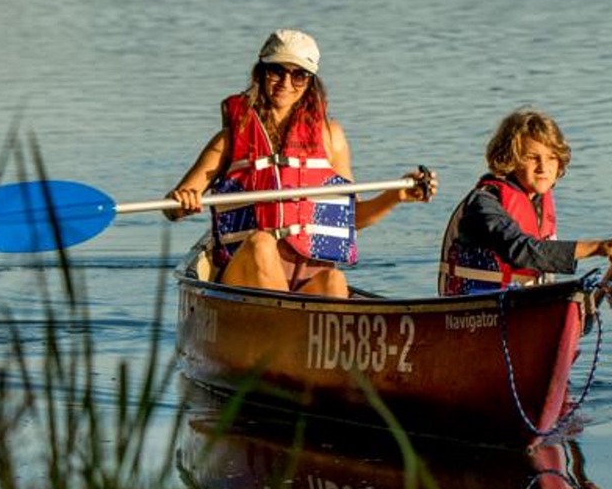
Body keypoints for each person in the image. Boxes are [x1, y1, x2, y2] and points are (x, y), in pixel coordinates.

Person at [166, 29, 436, 297]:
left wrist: (395, 196)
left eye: (298, 75)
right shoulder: (229, 140)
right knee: (261, 242)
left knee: (333, 280)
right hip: (244, 272)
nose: (286, 82)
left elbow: (348, 219)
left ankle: (307, 328)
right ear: (260, 72)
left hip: (308, 273)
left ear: (310, 81)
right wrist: (183, 201)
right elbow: (172, 208)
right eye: (276, 71)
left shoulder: (332, 137)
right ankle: (282, 323)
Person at [438, 107, 612, 296]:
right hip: (474, 307)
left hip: (523, 301)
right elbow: (519, 250)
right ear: (510, 159)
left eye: (551, 158)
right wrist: (597, 247)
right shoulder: (485, 202)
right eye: (532, 157)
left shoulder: (539, 203)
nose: (543, 167)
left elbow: (542, 258)